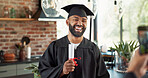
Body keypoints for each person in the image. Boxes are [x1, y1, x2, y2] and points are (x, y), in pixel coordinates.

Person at [38, 4, 110, 78]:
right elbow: (44, 71)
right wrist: (62, 70)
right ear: (67, 22)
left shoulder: (93, 49)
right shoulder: (55, 47)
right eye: (76, 19)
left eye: (84, 20)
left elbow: (103, 75)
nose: (80, 23)